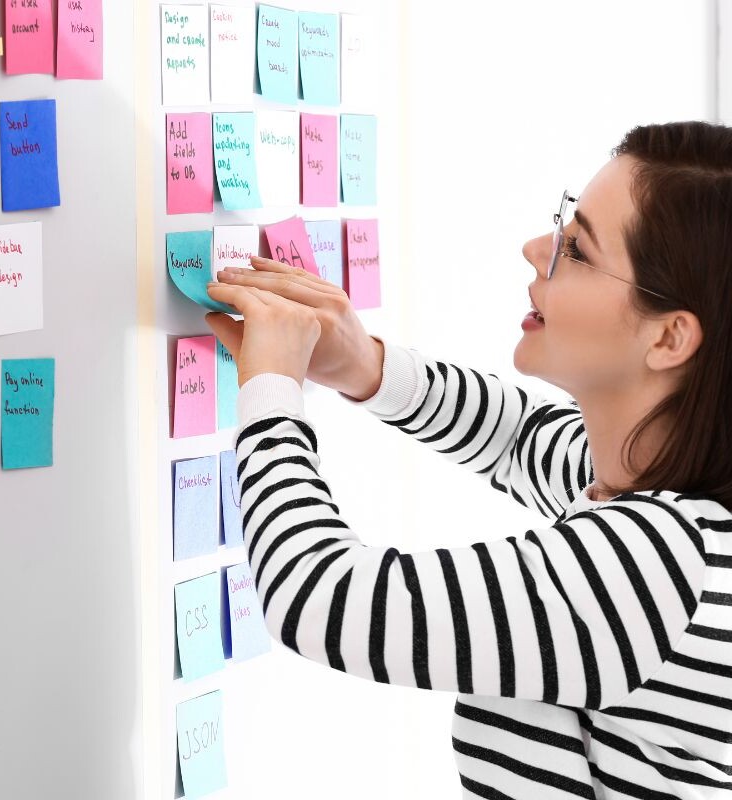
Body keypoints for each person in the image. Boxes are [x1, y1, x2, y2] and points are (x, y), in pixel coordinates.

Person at [204, 121, 732, 798]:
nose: (535, 248)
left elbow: (319, 597)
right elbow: (518, 438)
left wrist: (271, 387)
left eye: (576, 251)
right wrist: (365, 366)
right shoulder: (661, 493)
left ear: (670, 337)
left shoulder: (654, 568)